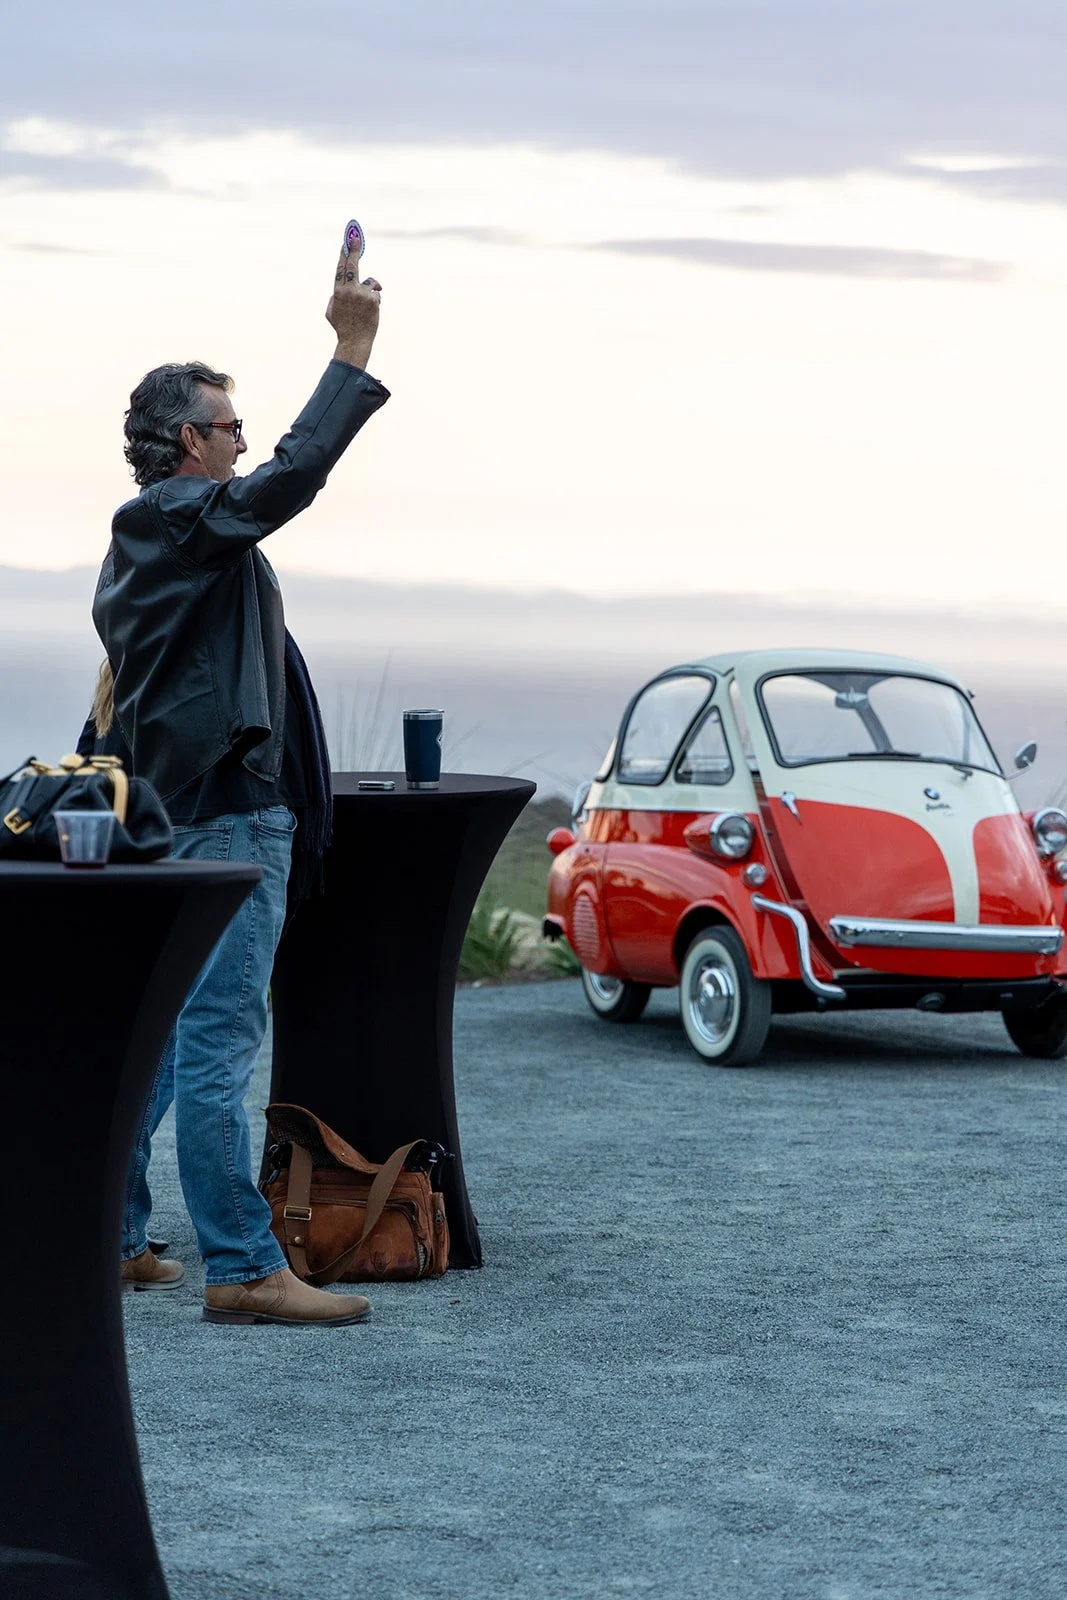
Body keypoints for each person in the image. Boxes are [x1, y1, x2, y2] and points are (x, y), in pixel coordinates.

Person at [92, 241, 388, 1326]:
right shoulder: (179, 517)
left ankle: (117, 1238)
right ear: (187, 440)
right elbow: (288, 482)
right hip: (225, 819)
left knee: (165, 1042)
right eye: (228, 425)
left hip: (178, 816)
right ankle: (243, 1266)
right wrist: (350, 353)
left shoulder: (159, 541)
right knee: (216, 1041)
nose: (243, 440)